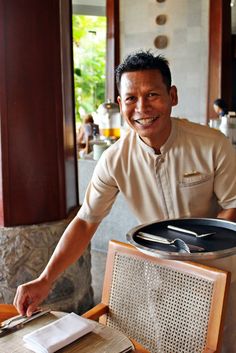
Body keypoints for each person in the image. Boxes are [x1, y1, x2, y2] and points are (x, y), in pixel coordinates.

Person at [14, 51, 236, 351]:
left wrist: (203, 261)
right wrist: (45, 279)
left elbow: (232, 205)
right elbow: (85, 221)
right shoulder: (115, 159)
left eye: (153, 94)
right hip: (161, 276)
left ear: (173, 96)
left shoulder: (212, 144)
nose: (142, 107)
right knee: (167, 343)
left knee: (221, 344)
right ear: (120, 104)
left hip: (220, 272)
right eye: (130, 98)